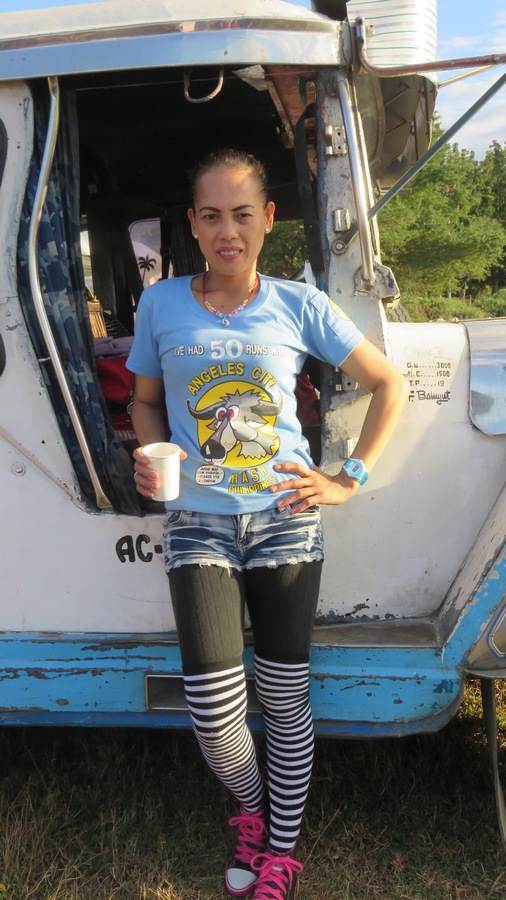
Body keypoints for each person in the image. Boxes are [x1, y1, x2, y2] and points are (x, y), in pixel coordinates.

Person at [126, 148, 408, 900]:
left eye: (243, 214)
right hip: (198, 521)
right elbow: (144, 402)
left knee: (283, 699)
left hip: (286, 520)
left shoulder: (298, 303)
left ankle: (281, 847)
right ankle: (254, 808)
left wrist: (348, 478)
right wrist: (149, 454)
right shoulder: (160, 306)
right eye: (212, 215)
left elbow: (388, 383)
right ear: (192, 223)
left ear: (268, 219)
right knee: (214, 712)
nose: (228, 231)